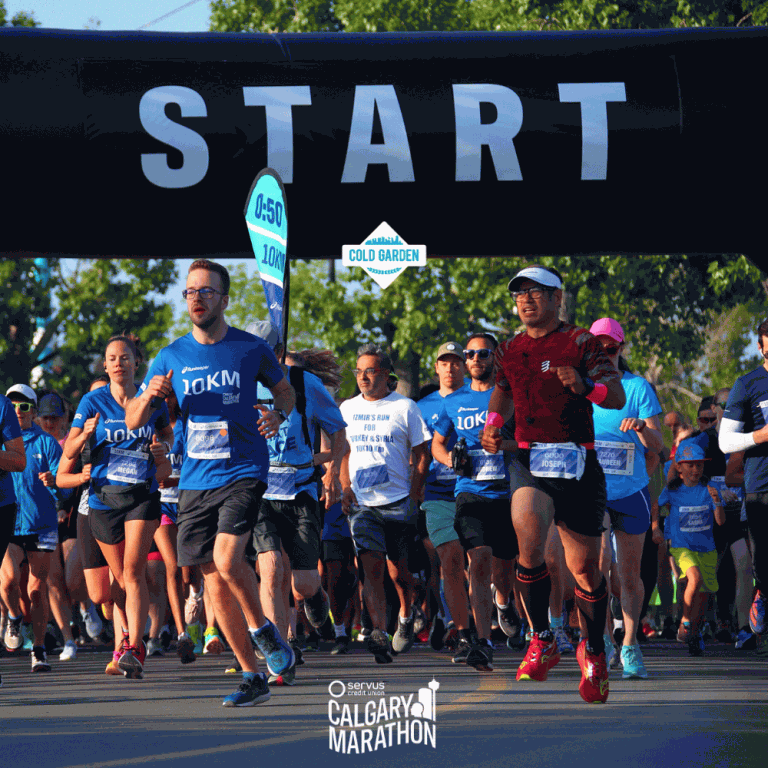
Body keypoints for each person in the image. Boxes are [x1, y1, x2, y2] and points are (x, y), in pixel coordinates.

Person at [124, 259, 296, 707]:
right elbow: (134, 419)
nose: (196, 298)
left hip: (243, 471)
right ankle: (252, 675)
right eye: (190, 292)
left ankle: (265, 631)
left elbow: (285, 391)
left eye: (206, 291)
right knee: (213, 580)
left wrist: (279, 415)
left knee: (226, 558)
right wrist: (149, 394)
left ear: (224, 298)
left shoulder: (249, 349)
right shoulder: (170, 356)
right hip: (194, 479)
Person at [481, 264, 625, 704]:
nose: (526, 301)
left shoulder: (580, 342)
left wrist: (584, 386)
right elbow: (503, 390)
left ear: (557, 298)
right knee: (528, 534)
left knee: (583, 569)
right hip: (529, 460)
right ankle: (542, 637)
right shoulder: (509, 348)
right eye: (519, 295)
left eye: (536, 293)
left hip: (578, 464)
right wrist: (492, 423)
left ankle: (595, 651)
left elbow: (614, 395)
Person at [63, 337, 173, 679]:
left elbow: (168, 435)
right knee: (118, 583)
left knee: (133, 569)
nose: (118, 363)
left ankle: (135, 647)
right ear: (106, 365)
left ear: (135, 362)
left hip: (141, 495)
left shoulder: (151, 399)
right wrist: (85, 436)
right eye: (112, 358)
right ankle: (124, 636)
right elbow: (69, 452)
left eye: (124, 357)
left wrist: (163, 449)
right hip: (103, 498)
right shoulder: (92, 401)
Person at [246, 321, 347, 686]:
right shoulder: (239, 385)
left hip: (302, 489)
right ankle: (281, 652)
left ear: (275, 352)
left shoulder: (304, 384)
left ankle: (316, 596)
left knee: (302, 582)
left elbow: (337, 431)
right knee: (271, 567)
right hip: (260, 492)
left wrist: (333, 473)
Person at [432, 333, 519, 672]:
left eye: (483, 353)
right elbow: (437, 444)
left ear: (495, 358)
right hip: (469, 492)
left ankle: (504, 601)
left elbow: (527, 439)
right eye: (470, 354)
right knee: (479, 559)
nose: (476, 359)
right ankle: (482, 642)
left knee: (506, 565)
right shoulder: (453, 400)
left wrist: (505, 446)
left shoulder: (510, 396)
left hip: (509, 493)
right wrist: (450, 462)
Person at [340, 343, 431, 664]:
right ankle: (378, 632)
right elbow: (343, 451)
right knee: (371, 568)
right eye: (359, 371)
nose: (363, 377)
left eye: (370, 371)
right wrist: (344, 487)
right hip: (363, 503)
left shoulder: (405, 408)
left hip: (398, 500)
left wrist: (416, 491)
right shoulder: (347, 408)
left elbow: (423, 456)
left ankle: (407, 614)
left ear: (386, 374)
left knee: (399, 572)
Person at [588, 318, 663, 680]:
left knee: (628, 574)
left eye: (611, 347)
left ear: (620, 349)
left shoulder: (637, 388)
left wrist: (642, 429)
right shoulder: (580, 389)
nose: (605, 352)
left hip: (630, 492)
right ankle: (601, 642)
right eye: (597, 346)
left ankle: (630, 644)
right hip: (591, 493)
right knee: (597, 566)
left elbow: (657, 447)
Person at [1, 384, 67, 672]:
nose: (18, 411)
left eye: (25, 406)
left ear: (33, 412)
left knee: (37, 590)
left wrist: (55, 483)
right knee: (7, 581)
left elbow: (64, 482)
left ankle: (38, 649)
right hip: (10, 520)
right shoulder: (3, 443)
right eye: (14, 405)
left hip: (41, 522)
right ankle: (14, 617)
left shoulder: (47, 443)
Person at [417, 342, 469, 652]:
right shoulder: (421, 406)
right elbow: (416, 453)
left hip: (477, 491)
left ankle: (479, 616)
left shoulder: (479, 400)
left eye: (456, 362)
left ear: (464, 367)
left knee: (476, 562)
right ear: (436, 367)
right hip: (437, 492)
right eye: (444, 362)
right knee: (447, 560)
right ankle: (454, 622)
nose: (450, 368)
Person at [718, 321, 768, 646]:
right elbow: (725, 442)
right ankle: (762, 590)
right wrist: (761, 435)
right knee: (763, 559)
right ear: (762, 347)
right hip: (762, 486)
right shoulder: (748, 384)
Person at [651, 442, 725, 655]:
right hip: (681, 546)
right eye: (690, 465)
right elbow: (656, 505)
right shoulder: (672, 491)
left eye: (699, 465)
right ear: (680, 468)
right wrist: (656, 528)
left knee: (704, 594)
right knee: (694, 578)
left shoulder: (709, 489)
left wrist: (717, 501)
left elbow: (720, 522)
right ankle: (684, 620)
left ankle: (695, 631)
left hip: (706, 547)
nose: (695, 470)